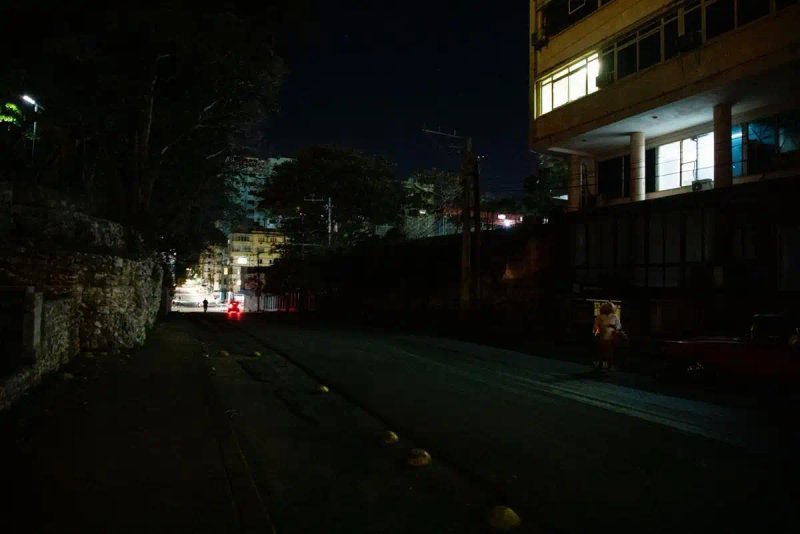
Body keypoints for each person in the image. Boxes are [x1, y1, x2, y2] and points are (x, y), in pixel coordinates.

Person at [593, 301, 621, 372]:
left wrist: (615, 328)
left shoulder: (614, 316)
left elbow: (619, 326)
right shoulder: (599, 317)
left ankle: (609, 366)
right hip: (602, 336)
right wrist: (597, 334)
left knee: (610, 352)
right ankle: (600, 364)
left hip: (611, 337)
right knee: (601, 351)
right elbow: (595, 326)